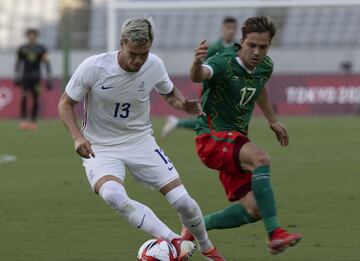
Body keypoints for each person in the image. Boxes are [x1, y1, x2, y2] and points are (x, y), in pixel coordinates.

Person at [57, 18, 225, 261]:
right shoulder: (94, 67)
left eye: (143, 54)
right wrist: (77, 137)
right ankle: (174, 241)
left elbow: (169, 94)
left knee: (184, 203)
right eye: (132, 53)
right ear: (122, 43)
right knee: (113, 194)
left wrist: (183, 105)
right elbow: (64, 104)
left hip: (140, 141)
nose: (138, 60)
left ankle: (208, 248)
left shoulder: (154, 64)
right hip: (101, 147)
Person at [181, 16, 303, 255]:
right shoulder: (223, 62)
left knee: (255, 210)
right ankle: (275, 233)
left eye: (263, 47)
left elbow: (260, 88)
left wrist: (272, 120)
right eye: (252, 45)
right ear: (242, 42)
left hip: (233, 143)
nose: (257, 52)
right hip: (211, 139)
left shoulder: (265, 66)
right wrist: (196, 63)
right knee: (261, 158)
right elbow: (200, 75)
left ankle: (195, 225)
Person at [161, 17, 238, 138]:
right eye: (228, 28)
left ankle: (176, 123)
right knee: (211, 119)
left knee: (219, 119)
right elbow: (202, 68)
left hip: (230, 89)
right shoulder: (215, 48)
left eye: (234, 28)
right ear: (222, 29)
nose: (231, 31)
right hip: (213, 88)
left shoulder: (237, 48)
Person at [14, 28, 52, 130]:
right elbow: (18, 63)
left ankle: (33, 121)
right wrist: (17, 76)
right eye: (30, 35)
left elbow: (46, 63)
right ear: (27, 36)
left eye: (33, 35)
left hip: (36, 78)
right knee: (24, 97)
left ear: (36, 36)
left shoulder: (40, 48)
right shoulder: (22, 49)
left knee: (35, 99)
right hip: (25, 77)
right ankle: (23, 120)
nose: (32, 37)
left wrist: (49, 78)